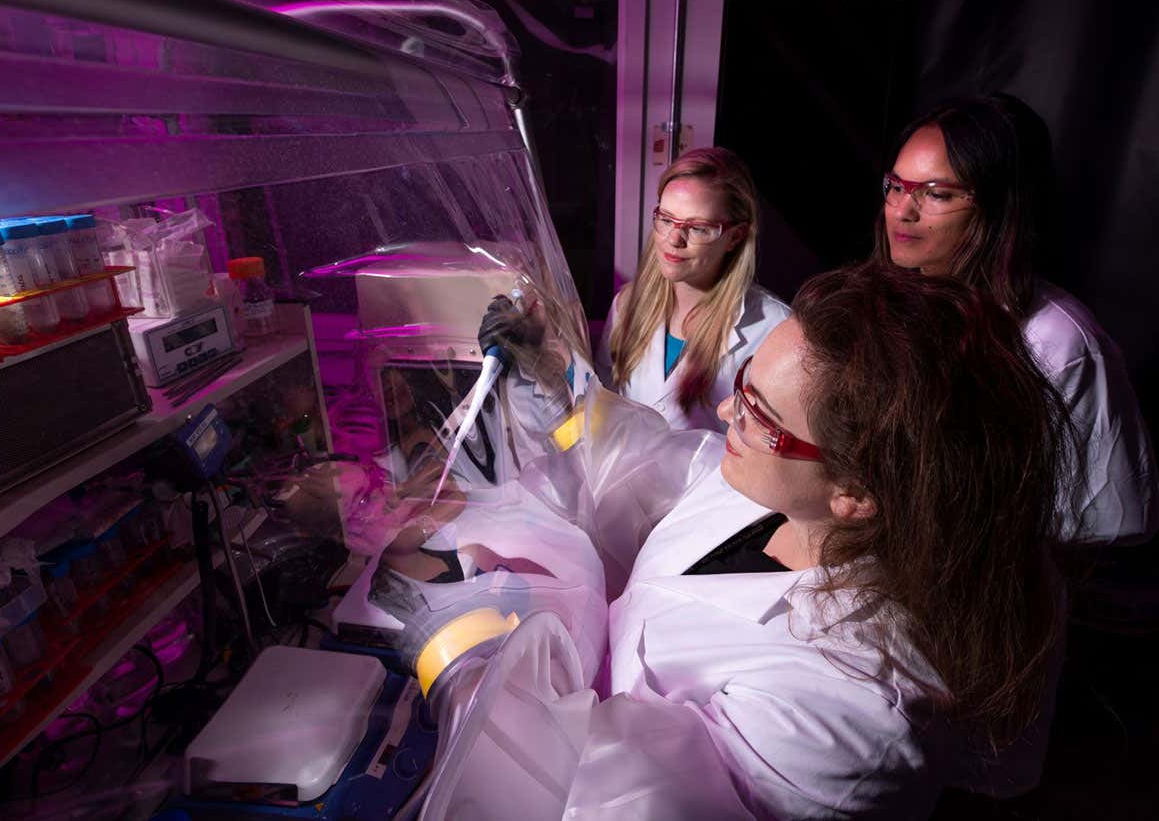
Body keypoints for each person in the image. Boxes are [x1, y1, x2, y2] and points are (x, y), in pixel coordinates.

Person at [396, 263, 1072, 819]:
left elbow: (598, 800)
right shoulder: (784, 494)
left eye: (758, 415)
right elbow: (644, 461)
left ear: (857, 495)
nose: (725, 411)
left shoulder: (851, 711)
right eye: (743, 387)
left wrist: (459, 653)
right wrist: (550, 375)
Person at [876, 93, 1159, 546]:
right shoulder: (884, 303)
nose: (903, 210)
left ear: (999, 208)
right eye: (896, 185)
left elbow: (1104, 520)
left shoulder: (1059, 342)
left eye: (937, 194)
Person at [596, 147, 789, 432]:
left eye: (698, 228)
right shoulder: (627, 305)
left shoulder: (774, 330)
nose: (674, 239)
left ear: (735, 237)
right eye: (666, 219)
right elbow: (602, 406)